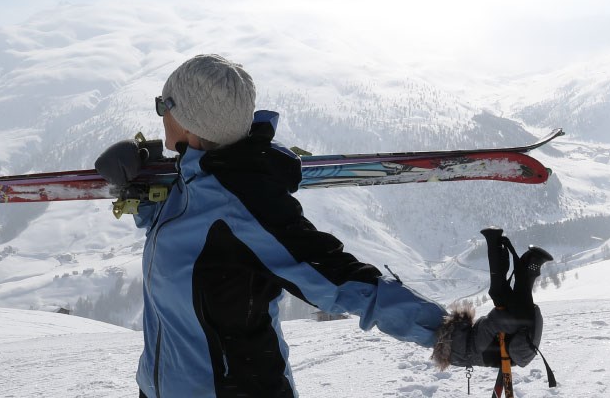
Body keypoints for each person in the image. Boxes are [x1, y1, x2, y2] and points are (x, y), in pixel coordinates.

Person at [96, 54, 542, 398]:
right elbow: (190, 248)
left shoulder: (243, 208)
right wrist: (141, 193)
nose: (159, 114)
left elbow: (343, 280)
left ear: (190, 120)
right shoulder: (192, 182)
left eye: (162, 104)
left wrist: (456, 337)